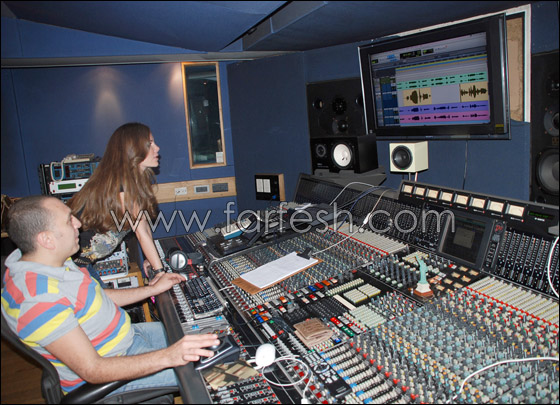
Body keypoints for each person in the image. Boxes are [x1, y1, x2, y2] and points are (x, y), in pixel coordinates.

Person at [1, 195, 219, 395]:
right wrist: (169, 356)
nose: (78, 224)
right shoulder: (37, 299)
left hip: (127, 337)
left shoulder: (48, 260)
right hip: (112, 371)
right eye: (68, 221)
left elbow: (99, 297)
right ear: (46, 240)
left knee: (215, 336)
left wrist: (152, 289)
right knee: (216, 372)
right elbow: (93, 370)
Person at [66, 122, 164, 285]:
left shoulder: (130, 182)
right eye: (150, 144)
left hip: (80, 265)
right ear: (133, 149)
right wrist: (160, 273)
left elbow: (144, 227)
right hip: (66, 267)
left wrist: (152, 260)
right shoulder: (122, 186)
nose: (157, 148)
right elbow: (141, 232)